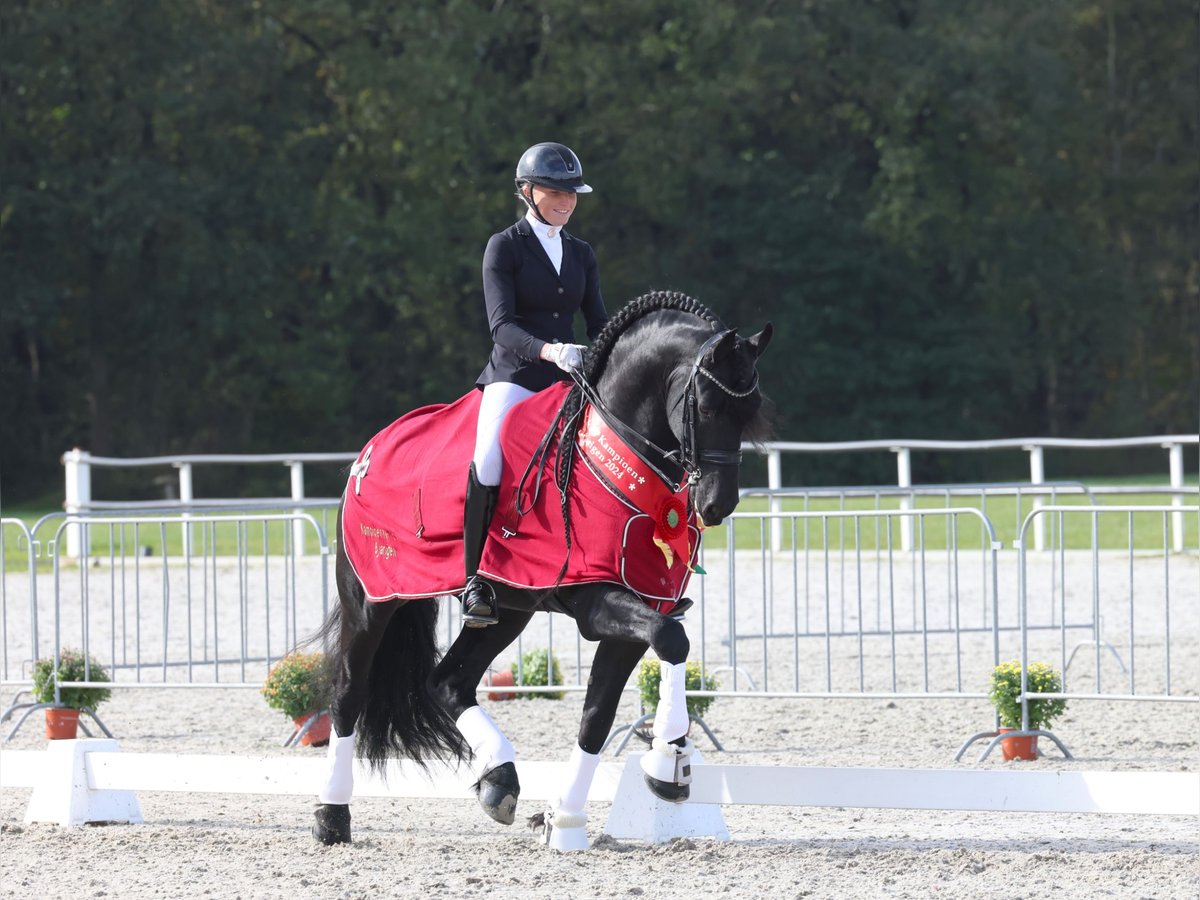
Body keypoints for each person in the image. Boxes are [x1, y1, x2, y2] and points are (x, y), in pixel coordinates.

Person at [461, 142, 609, 627]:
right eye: (555, 192)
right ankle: (475, 580)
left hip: (569, 381)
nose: (566, 202)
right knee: (487, 459)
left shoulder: (581, 253)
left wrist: (613, 352)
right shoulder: (505, 246)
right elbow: (500, 326)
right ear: (527, 192)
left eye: (572, 194)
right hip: (516, 376)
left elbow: (599, 322)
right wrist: (549, 350)